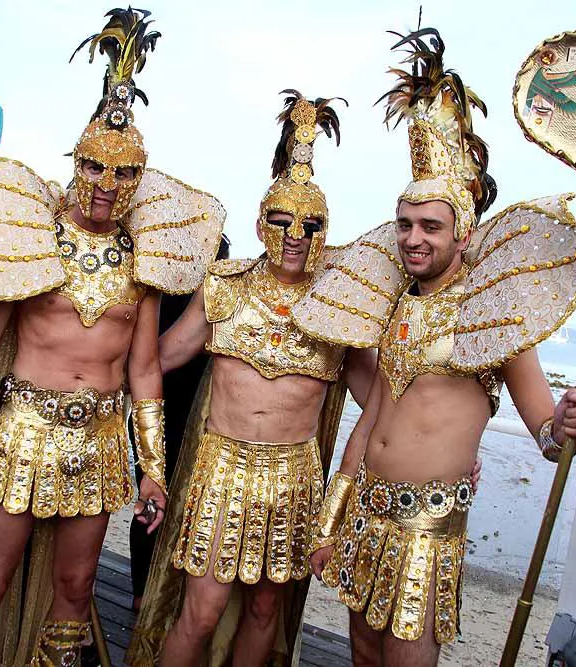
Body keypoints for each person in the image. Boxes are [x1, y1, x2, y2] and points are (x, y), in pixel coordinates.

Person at [0, 8, 224, 665]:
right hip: (23, 434)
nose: (106, 185)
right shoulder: (33, 238)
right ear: (76, 162)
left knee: (76, 590)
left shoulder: (144, 263)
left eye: (123, 174)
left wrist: (152, 469)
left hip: (101, 439)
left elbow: (145, 370)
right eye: (93, 167)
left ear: (139, 179)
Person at [306, 29, 576, 667]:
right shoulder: (397, 305)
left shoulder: (493, 317)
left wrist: (568, 428)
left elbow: (546, 436)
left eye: (430, 227)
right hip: (366, 511)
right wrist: (331, 516)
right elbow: (374, 418)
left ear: (462, 235)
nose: (413, 238)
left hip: (426, 531)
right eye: (405, 224)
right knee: (361, 656)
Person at [128, 90, 411, 667]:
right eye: (282, 222)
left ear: (324, 231)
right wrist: (110, 407)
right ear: (261, 224)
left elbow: (383, 402)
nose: (295, 235)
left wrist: (446, 448)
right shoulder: (224, 287)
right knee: (200, 612)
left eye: (310, 225)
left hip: (294, 481)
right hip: (220, 470)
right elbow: (156, 360)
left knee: (264, 612)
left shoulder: (339, 305)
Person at [127, 235, 230, 611]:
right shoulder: (164, 290)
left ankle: (152, 592)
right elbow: (151, 357)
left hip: (188, 411)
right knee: (154, 501)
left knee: (167, 503)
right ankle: (143, 593)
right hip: (159, 408)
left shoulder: (210, 294)